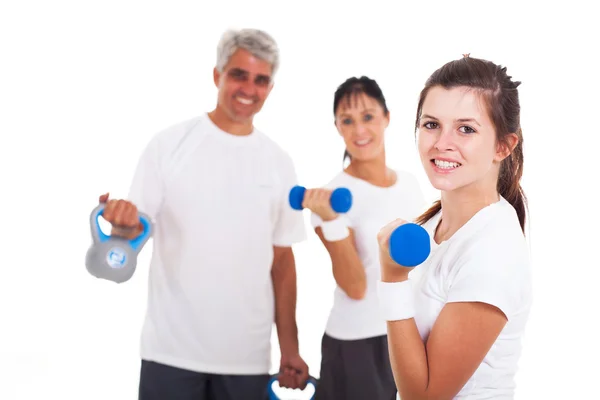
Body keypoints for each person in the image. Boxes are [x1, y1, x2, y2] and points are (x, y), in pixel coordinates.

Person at [96, 28, 310, 400]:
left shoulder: (279, 163)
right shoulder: (169, 145)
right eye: (239, 75)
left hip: (246, 359)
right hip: (170, 353)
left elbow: (282, 263)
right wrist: (120, 226)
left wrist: (289, 348)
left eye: (261, 80)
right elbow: (129, 240)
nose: (249, 88)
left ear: (270, 88)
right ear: (217, 75)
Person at [376, 55, 532, 399]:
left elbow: (424, 396)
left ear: (503, 146)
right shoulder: (435, 220)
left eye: (466, 129)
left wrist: (393, 278)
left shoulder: (494, 254)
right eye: (431, 124)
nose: (441, 143)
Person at [302, 76, 427, 400]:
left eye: (368, 116)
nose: (359, 130)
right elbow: (355, 286)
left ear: (387, 117)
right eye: (348, 120)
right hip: (357, 343)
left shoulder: (410, 183)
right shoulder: (330, 198)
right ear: (337, 127)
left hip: (409, 331)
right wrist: (331, 220)